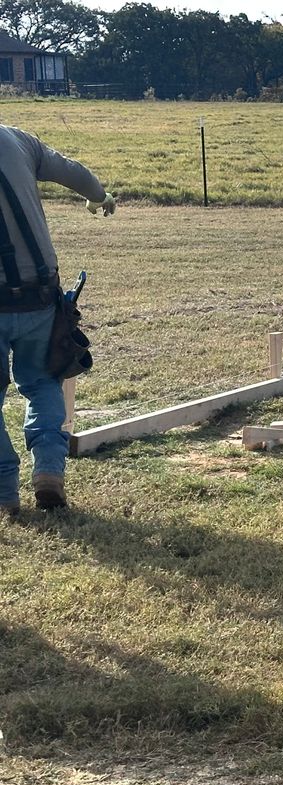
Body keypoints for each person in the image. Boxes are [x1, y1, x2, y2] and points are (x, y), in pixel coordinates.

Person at [0, 124, 115, 514]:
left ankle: (4, 493)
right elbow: (73, 172)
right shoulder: (16, 138)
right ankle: (48, 470)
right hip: (40, 296)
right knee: (43, 382)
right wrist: (99, 197)